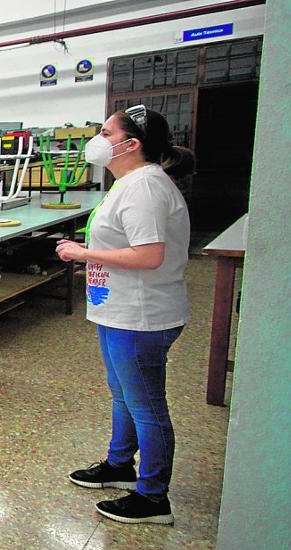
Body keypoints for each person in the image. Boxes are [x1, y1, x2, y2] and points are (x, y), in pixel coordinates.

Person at [57, 105, 194, 525]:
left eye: (105, 132)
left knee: (147, 406)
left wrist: (83, 253)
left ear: (130, 144)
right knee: (124, 397)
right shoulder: (129, 183)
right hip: (118, 311)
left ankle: (153, 498)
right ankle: (120, 465)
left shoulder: (146, 188)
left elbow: (149, 255)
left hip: (142, 316)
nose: (96, 139)